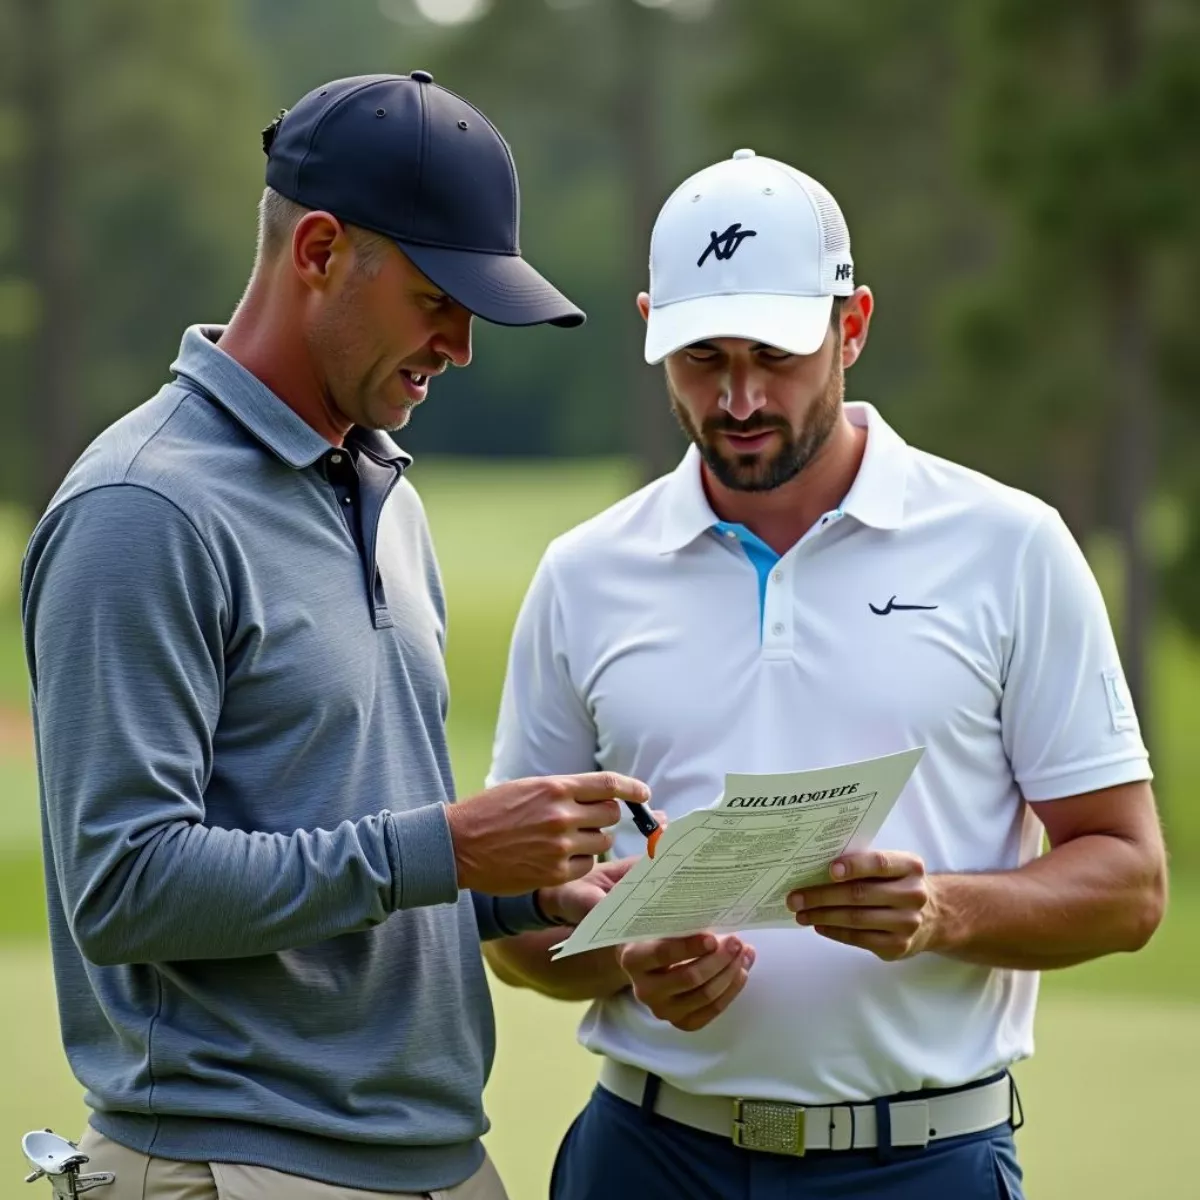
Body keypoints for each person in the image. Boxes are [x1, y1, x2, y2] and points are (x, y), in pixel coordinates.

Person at [484, 148, 1168, 1200]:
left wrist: (941, 911)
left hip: (926, 1164)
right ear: (650, 329)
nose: (741, 396)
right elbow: (515, 930)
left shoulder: (1009, 546)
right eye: (703, 358)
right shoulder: (586, 575)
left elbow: (1128, 880)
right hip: (648, 1157)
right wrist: (625, 957)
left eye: (777, 352)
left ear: (851, 327)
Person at [20, 72, 651, 1200]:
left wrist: (519, 892)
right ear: (317, 250)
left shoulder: (383, 492)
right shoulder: (143, 507)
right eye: (437, 298)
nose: (460, 343)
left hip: (436, 1161)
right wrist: (449, 848)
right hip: (235, 1164)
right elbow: (121, 885)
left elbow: (346, 834)